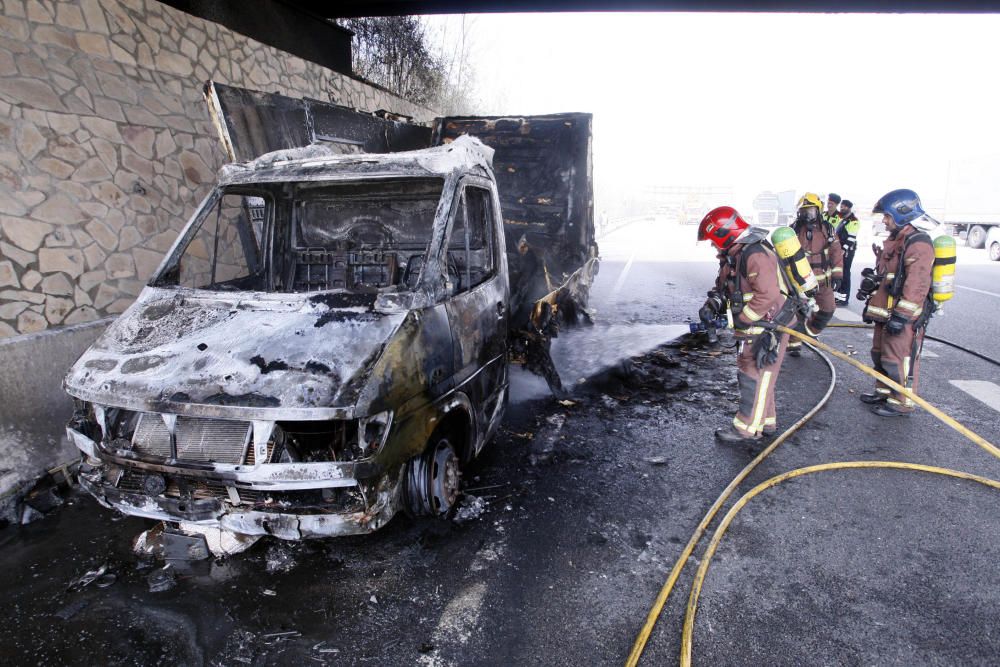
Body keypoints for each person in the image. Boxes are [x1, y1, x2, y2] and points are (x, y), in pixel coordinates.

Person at [698, 206, 798, 444]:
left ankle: (746, 428)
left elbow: (768, 295)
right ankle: (767, 421)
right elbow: (726, 288)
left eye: (713, 240)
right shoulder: (734, 256)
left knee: (754, 375)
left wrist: (740, 320)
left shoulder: (754, 254)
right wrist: (712, 304)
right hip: (757, 324)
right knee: (762, 376)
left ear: (725, 234)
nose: (713, 246)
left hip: (768, 325)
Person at [858, 189, 935, 417]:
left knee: (898, 359)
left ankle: (901, 401)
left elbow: (917, 285)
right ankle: (883, 392)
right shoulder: (895, 241)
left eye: (887, 216)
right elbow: (889, 277)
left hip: (901, 317)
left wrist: (902, 316)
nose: (884, 220)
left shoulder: (918, 244)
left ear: (902, 214)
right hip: (885, 312)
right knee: (879, 354)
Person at [786, 192, 844, 356]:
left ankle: (810, 333)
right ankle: (794, 343)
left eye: (811, 211)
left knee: (828, 308)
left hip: (822, 279)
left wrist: (838, 275)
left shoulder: (828, 229)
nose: (807, 215)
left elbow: (836, 252)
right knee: (797, 312)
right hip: (799, 281)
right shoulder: (793, 230)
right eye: (804, 212)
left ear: (818, 210)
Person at [835, 199, 861, 305]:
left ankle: (844, 299)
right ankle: (839, 296)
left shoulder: (853, 220)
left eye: (844, 207)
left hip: (847, 252)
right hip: (841, 251)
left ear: (849, 208)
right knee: (840, 274)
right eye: (841, 206)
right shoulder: (843, 220)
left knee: (845, 274)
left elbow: (851, 238)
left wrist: (843, 249)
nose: (841, 208)